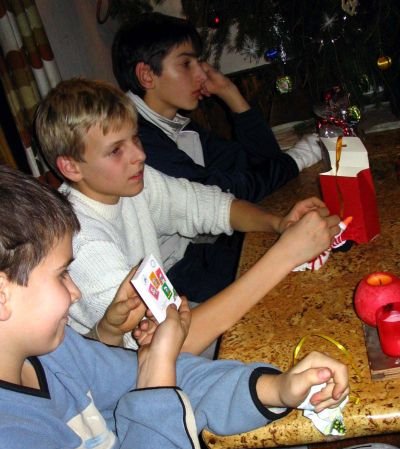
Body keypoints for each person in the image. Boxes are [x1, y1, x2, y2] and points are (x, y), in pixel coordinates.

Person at [1, 165, 400, 449]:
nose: (74, 292)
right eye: (61, 275)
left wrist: (276, 388)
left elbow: (164, 378)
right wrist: (158, 373)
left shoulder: (53, 351)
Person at [34, 77, 339, 354]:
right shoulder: (82, 243)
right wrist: (285, 255)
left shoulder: (131, 182)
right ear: (71, 167)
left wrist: (278, 223)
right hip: (138, 372)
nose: (139, 155)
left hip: (171, 329)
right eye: (116, 150)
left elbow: (208, 205)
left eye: (135, 138)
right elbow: (158, 353)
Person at [112, 12, 322, 301]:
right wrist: (299, 157)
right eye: (186, 63)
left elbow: (260, 161)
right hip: (166, 279)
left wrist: (230, 93)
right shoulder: (137, 140)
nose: (202, 74)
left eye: (199, 62)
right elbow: (224, 194)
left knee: (314, 248)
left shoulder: (179, 127)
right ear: (147, 75)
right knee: (292, 281)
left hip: (198, 251)